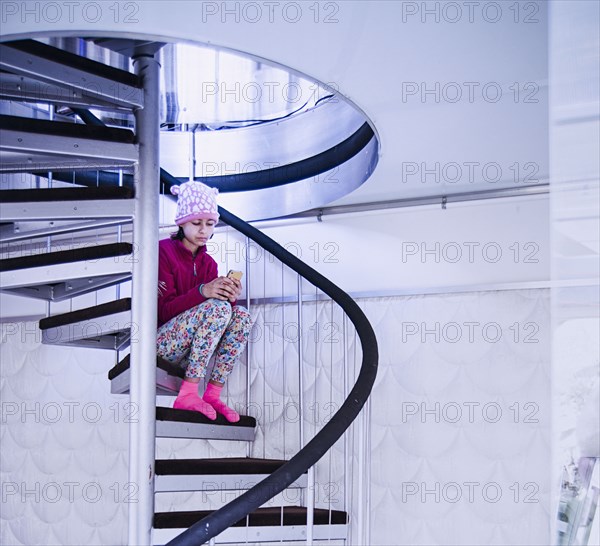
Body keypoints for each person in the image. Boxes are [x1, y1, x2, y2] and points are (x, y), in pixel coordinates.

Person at [156, 181, 252, 422]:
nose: (203, 230)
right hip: (162, 343)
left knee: (241, 316)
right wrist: (204, 291)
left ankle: (212, 393)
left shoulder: (209, 264)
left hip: (195, 348)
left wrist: (228, 297)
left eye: (209, 224)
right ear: (182, 223)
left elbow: (214, 317)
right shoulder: (162, 252)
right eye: (196, 223)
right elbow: (164, 311)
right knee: (217, 308)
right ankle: (187, 393)